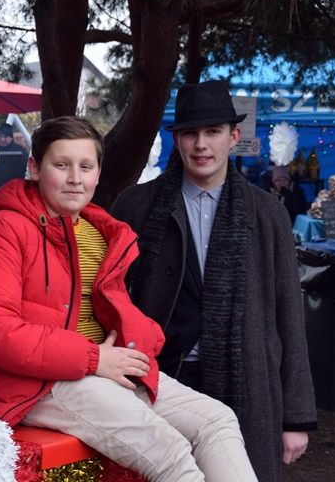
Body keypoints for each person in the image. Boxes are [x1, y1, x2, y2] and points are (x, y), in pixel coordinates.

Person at [0, 115, 258, 481]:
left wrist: (139, 338)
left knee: (217, 420)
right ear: (35, 168)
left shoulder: (98, 231)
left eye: (85, 167)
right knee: (169, 450)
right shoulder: (3, 229)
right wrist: (95, 358)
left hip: (104, 368)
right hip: (37, 383)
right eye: (61, 165)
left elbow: (111, 309)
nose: (75, 178)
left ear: (98, 174)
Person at [110, 80, 316, 482]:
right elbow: (107, 297)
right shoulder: (136, 205)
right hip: (159, 378)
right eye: (190, 133)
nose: (201, 144)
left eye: (213, 132)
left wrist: (296, 417)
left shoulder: (267, 213)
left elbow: (290, 316)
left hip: (247, 378)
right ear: (176, 139)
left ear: (233, 137)